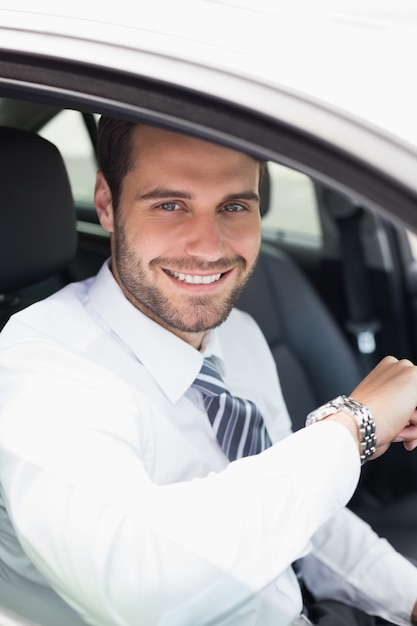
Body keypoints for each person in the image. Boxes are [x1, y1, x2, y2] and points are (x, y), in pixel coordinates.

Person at [1, 119, 417, 626]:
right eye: (170, 205)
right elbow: (140, 589)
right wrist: (354, 425)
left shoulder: (239, 334)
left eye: (234, 206)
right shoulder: (42, 366)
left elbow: (301, 513)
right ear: (107, 204)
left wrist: (407, 599)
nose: (208, 247)